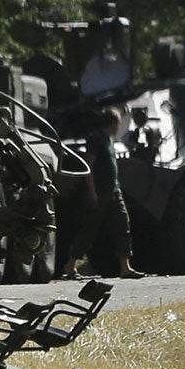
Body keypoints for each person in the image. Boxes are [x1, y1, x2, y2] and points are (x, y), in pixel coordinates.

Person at [79, 105, 143, 279]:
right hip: (100, 191)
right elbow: (88, 165)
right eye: (118, 123)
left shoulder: (109, 140)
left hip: (114, 190)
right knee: (90, 229)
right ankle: (70, 265)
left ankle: (125, 267)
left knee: (123, 227)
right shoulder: (96, 138)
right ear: (112, 123)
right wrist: (91, 191)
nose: (119, 127)